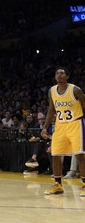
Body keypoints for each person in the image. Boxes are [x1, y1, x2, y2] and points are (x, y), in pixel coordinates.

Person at [40, 67, 85, 196]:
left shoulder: (75, 90)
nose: (59, 75)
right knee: (55, 154)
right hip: (60, 125)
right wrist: (44, 127)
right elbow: (51, 111)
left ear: (67, 76)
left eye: (62, 73)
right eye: (57, 73)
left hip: (75, 123)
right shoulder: (52, 91)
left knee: (80, 155)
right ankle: (58, 184)